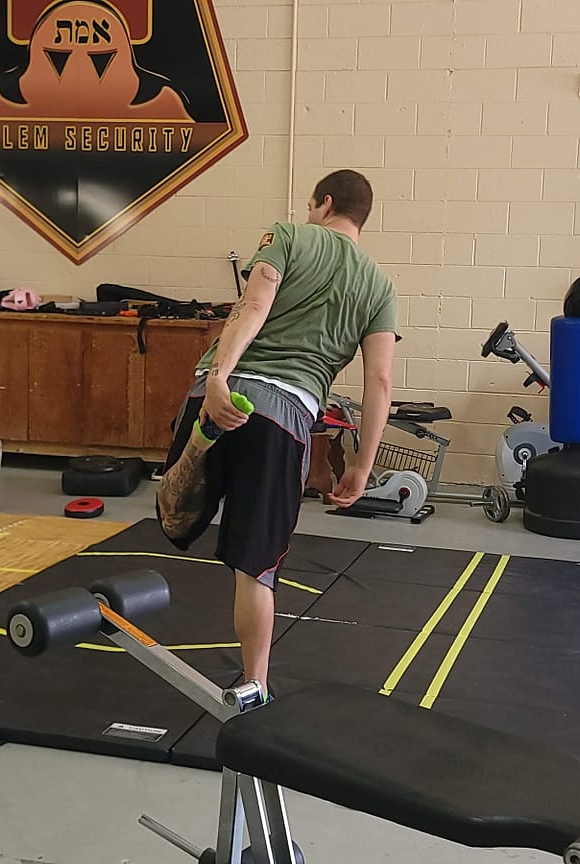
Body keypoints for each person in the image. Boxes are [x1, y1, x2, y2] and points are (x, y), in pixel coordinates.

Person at [158, 169, 399, 693]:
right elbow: (379, 382)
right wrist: (363, 466)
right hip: (284, 416)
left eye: (311, 206)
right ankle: (256, 685)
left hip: (221, 391)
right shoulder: (381, 287)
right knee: (255, 568)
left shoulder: (289, 236)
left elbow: (253, 305)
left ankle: (203, 439)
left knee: (173, 519)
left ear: (324, 203)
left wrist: (218, 378)